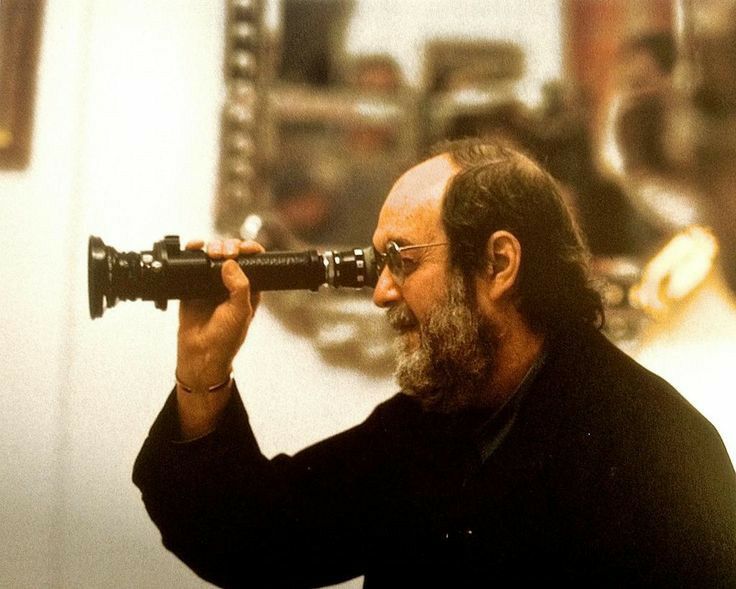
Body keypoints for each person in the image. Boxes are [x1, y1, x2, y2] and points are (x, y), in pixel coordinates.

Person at [133, 139, 736, 587]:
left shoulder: (668, 452)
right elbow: (250, 540)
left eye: (402, 259)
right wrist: (204, 363)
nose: (382, 293)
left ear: (499, 264)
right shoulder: (426, 424)